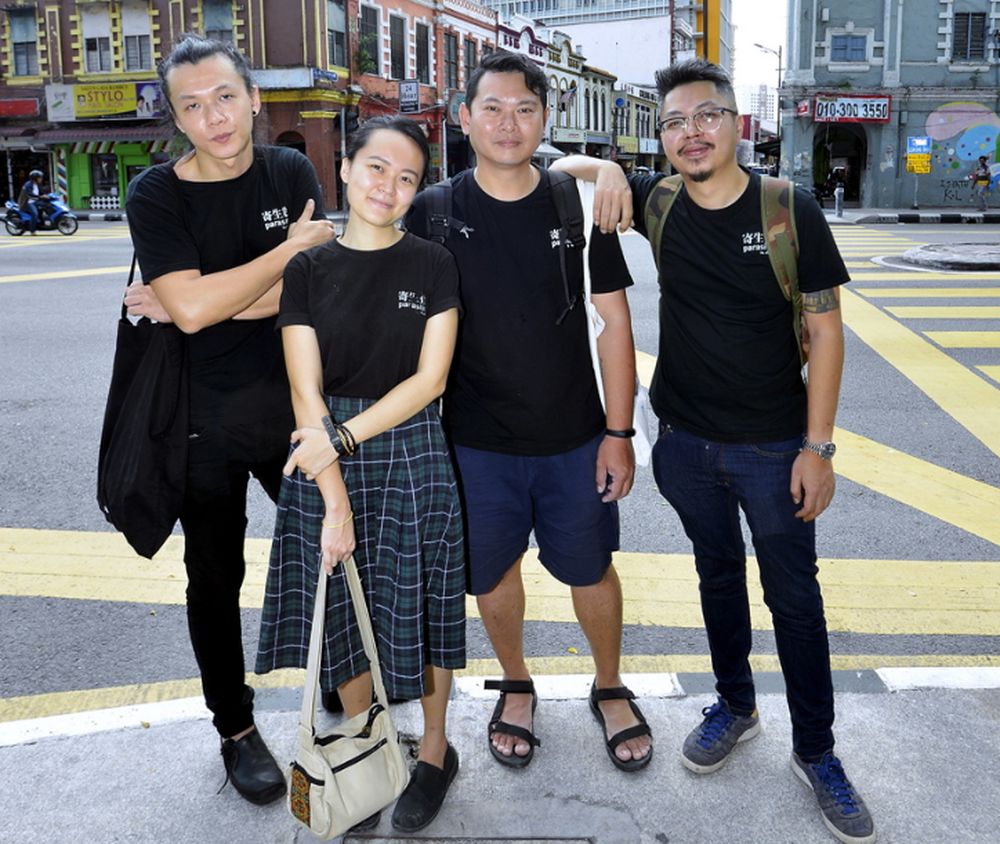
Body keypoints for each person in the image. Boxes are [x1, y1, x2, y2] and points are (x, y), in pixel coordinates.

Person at [553, 58, 874, 844]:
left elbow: (828, 333)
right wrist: (607, 170)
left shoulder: (786, 208)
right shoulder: (658, 201)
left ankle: (817, 750)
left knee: (795, 599)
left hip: (774, 448)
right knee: (716, 577)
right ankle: (735, 704)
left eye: (706, 117)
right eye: (674, 122)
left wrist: (818, 447)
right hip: (686, 444)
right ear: (661, 137)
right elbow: (555, 163)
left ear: (736, 123)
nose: (691, 133)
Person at [404, 50, 653, 773]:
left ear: (545, 118)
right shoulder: (434, 213)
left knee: (590, 570)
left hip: (576, 439)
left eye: (524, 109)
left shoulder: (575, 205)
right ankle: (516, 681)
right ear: (465, 117)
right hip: (474, 445)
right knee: (490, 576)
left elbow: (616, 327)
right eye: (492, 108)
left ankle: (609, 684)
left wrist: (618, 432)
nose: (508, 123)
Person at [122, 35, 336, 805]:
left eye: (223, 96)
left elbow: (315, 289)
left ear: (252, 96)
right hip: (198, 422)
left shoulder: (288, 168)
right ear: (176, 119)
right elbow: (195, 307)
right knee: (214, 578)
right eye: (192, 105)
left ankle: (346, 680)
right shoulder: (156, 194)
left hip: (293, 407)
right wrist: (287, 254)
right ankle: (236, 729)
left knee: (333, 551)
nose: (212, 116)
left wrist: (202, 301)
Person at [254, 116, 465, 834]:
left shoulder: (432, 263)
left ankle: (434, 751)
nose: (389, 187)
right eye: (377, 168)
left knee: (428, 609)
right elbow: (302, 387)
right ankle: (364, 748)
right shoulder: (306, 269)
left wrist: (341, 439)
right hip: (324, 457)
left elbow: (431, 379)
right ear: (344, 168)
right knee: (341, 611)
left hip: (408, 449)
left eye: (407, 177)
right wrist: (334, 493)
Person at [17, 169, 44, 233]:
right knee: (35, 213)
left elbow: (41, 192)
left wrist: (48, 196)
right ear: (35, 178)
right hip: (27, 203)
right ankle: (32, 230)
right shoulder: (28, 185)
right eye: (39, 178)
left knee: (47, 205)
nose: (41, 179)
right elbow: (30, 195)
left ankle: (41, 223)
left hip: (35, 201)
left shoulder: (37, 184)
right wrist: (40, 197)